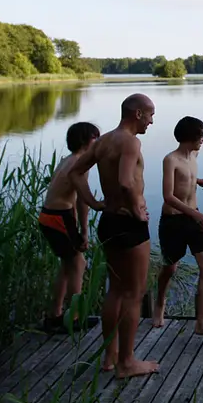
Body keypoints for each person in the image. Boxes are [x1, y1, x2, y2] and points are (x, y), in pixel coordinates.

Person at [68, 94, 159, 378]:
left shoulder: (104, 141)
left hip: (108, 221)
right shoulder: (130, 142)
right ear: (137, 114)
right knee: (134, 293)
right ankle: (127, 362)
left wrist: (95, 204)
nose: (152, 121)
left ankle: (110, 356)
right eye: (150, 115)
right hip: (128, 223)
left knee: (116, 290)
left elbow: (75, 172)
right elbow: (125, 181)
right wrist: (136, 210)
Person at [152, 116, 203, 343]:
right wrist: (194, 213)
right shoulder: (170, 159)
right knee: (170, 268)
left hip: (194, 219)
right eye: (201, 135)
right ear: (189, 137)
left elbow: (187, 180)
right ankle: (160, 302)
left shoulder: (194, 155)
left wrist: (199, 181)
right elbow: (168, 196)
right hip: (173, 221)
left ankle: (202, 323)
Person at [38, 121, 103, 331]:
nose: (98, 142)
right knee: (78, 263)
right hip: (59, 217)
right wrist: (84, 231)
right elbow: (83, 200)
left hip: (49, 215)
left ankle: (54, 315)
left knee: (67, 265)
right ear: (85, 140)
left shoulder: (67, 160)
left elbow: (73, 197)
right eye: (95, 137)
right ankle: (74, 318)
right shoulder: (80, 164)